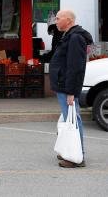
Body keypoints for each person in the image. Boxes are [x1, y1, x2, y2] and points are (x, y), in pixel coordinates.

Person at [49, 10, 92, 168]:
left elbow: (76, 68)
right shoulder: (69, 35)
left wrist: (72, 92)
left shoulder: (75, 38)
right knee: (68, 119)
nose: (56, 21)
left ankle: (77, 156)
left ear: (68, 20)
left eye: (58, 19)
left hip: (67, 87)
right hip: (63, 85)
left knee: (73, 121)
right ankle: (68, 151)